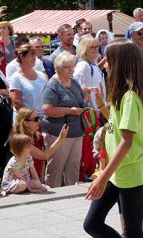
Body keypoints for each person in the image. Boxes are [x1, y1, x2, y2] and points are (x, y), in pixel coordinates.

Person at [83, 40, 143, 238]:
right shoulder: (120, 95)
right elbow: (117, 126)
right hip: (116, 171)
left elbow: (127, 140)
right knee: (92, 223)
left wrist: (102, 178)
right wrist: (102, 106)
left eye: (108, 59)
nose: (104, 64)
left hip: (129, 172)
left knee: (132, 232)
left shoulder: (130, 97)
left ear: (119, 63)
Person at [42, 51, 87, 187]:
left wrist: (85, 101)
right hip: (58, 133)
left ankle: (71, 196)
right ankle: (53, 196)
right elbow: (47, 109)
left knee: (73, 166)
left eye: (72, 66)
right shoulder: (52, 85)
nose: (72, 70)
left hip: (77, 131)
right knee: (56, 167)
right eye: (68, 67)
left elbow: (80, 101)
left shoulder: (73, 82)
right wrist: (69, 111)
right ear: (59, 68)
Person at [13, 108, 69, 181]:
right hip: (21, 179)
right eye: (35, 119)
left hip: (35, 177)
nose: (39, 121)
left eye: (39, 117)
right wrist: (61, 138)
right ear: (26, 123)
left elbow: (42, 161)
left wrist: (42, 177)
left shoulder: (38, 136)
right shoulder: (21, 140)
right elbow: (44, 156)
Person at [9, 44, 47, 120]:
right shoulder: (16, 78)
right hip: (25, 121)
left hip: (42, 119)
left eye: (34, 56)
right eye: (31, 56)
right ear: (21, 57)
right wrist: (32, 119)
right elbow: (17, 102)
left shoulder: (41, 75)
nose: (34, 58)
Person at [74, 37, 106, 113]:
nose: (96, 49)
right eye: (92, 47)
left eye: (97, 46)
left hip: (99, 108)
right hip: (92, 111)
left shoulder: (92, 63)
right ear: (84, 49)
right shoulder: (83, 65)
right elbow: (79, 88)